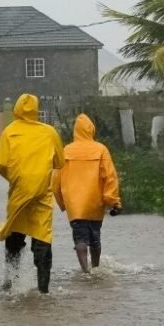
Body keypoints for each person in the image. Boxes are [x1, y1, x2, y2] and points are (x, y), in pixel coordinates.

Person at [0, 94, 65, 294]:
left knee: (14, 235)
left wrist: (16, 177)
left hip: (19, 191)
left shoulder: (9, 132)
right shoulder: (49, 132)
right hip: (43, 193)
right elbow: (60, 162)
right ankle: (43, 288)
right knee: (42, 236)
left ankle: (10, 283)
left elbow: (1, 164)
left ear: (16, 109)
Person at [53, 113, 122, 274]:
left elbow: (55, 181)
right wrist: (113, 201)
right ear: (92, 129)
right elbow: (110, 177)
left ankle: (85, 271)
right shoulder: (101, 149)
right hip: (95, 203)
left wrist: (63, 203)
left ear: (75, 131)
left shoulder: (66, 151)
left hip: (75, 205)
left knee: (80, 238)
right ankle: (96, 268)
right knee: (95, 237)